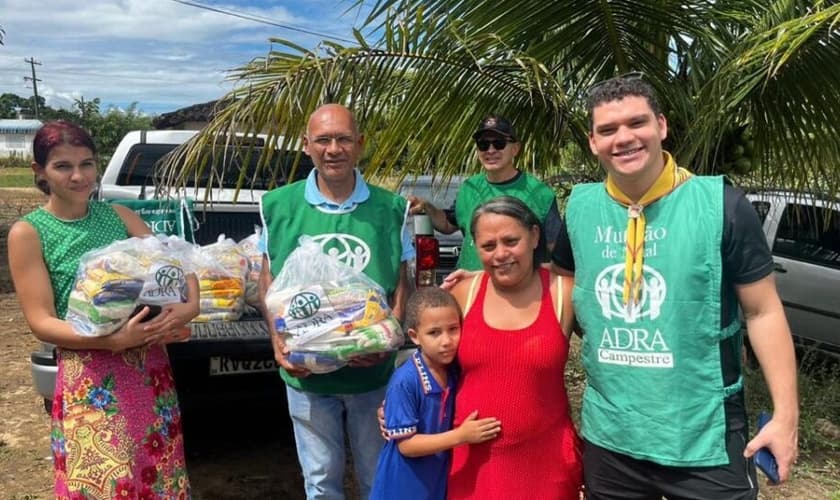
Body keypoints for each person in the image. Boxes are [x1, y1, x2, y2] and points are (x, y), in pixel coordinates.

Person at [553, 73, 799, 498]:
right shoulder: (580, 209)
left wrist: (786, 418)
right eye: (608, 130)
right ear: (593, 142)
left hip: (704, 433)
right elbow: (559, 291)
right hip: (612, 435)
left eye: (637, 123)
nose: (624, 138)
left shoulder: (721, 205)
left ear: (661, 126)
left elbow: (763, 311)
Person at [7, 120, 199, 499]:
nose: (79, 176)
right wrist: (110, 340)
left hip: (148, 371)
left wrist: (188, 305)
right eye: (63, 166)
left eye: (87, 164)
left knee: (158, 476)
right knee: (102, 482)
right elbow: (42, 321)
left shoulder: (120, 217)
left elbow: (176, 266)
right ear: (39, 171)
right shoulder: (29, 233)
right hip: (91, 379)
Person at [258, 103, 414, 499]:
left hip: (371, 375)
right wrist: (280, 344)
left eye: (343, 139)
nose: (333, 149)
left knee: (377, 474)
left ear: (360, 144)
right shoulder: (278, 205)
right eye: (323, 140)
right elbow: (269, 282)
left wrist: (386, 342)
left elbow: (401, 284)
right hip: (307, 375)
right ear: (306, 145)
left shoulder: (392, 208)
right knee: (321, 482)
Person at [446, 196, 583, 499]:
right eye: (488, 246)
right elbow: (429, 364)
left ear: (535, 236)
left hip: (546, 464)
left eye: (511, 241)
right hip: (473, 464)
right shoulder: (462, 293)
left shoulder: (564, 293)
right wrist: (398, 404)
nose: (500, 254)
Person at [370, 287, 501, 500]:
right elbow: (407, 445)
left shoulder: (455, 370)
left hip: (434, 483)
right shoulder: (405, 381)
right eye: (434, 333)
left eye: (453, 329)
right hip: (402, 487)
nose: (447, 341)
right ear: (414, 336)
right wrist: (461, 436)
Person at [408, 114, 561, 270]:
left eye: (499, 143)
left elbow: (555, 252)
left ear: (515, 149)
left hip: (518, 291)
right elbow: (448, 224)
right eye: (483, 144)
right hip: (469, 288)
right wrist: (426, 206)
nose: (490, 150)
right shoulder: (469, 188)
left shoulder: (540, 193)